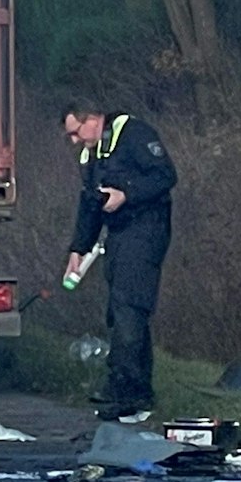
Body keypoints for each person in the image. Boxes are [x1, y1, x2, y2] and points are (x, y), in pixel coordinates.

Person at [63, 100, 178, 423]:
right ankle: (138, 390)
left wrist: (127, 193)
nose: (75, 141)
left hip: (146, 229)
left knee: (130, 304)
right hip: (118, 235)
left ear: (93, 119)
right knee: (122, 310)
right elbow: (89, 204)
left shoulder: (134, 135)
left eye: (76, 132)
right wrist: (78, 248)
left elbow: (165, 175)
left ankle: (122, 388)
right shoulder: (93, 154)